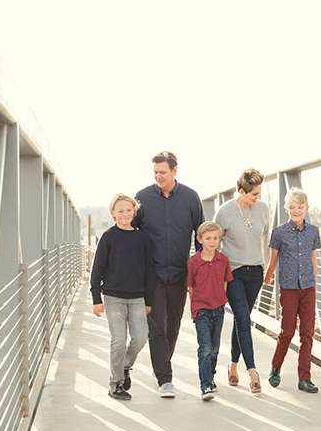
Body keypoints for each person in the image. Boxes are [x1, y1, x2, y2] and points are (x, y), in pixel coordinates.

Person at [133, 151, 205, 398]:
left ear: (175, 170)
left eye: (163, 172)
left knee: (173, 324)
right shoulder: (142, 198)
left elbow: (202, 234)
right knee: (156, 327)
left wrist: (204, 270)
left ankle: (162, 364)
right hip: (151, 274)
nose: (158, 177)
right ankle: (165, 378)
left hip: (179, 273)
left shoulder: (190, 198)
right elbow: (130, 234)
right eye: (155, 172)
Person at [90, 194, 156, 401]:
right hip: (113, 297)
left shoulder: (142, 238)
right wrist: (96, 298)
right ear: (113, 214)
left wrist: (149, 300)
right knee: (118, 340)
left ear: (134, 212)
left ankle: (124, 366)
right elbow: (97, 268)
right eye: (120, 211)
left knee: (140, 337)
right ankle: (115, 383)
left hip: (137, 297)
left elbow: (149, 271)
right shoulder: (108, 237)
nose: (125, 214)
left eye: (129, 210)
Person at [213, 168, 270, 394]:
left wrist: (267, 269)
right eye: (254, 194)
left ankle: (233, 366)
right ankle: (253, 372)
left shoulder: (263, 209)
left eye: (259, 193)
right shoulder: (224, 212)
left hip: (255, 272)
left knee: (241, 319)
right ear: (241, 191)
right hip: (233, 273)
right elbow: (214, 243)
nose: (258, 197)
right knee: (243, 318)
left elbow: (266, 239)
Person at [263, 187, 321, 393]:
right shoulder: (279, 232)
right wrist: (268, 277)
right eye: (292, 207)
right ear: (286, 209)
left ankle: (304, 378)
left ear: (307, 208)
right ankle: (275, 367)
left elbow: (313, 258)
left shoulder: (313, 231)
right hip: (288, 288)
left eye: (300, 207)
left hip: (308, 287)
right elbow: (273, 260)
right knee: (287, 331)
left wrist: (313, 281)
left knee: (307, 334)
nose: (296, 211)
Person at [187, 222, 233, 400]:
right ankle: (205, 385)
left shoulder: (224, 260)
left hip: (218, 310)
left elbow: (224, 283)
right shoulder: (193, 262)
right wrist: (195, 309)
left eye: (215, 238)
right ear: (199, 240)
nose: (212, 241)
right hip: (201, 311)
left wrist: (221, 302)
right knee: (205, 348)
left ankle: (211, 377)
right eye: (208, 238)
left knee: (214, 349)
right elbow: (190, 287)